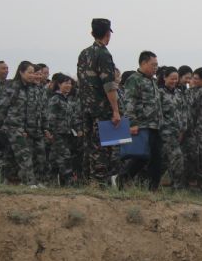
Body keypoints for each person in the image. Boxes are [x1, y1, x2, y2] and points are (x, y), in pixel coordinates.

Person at [76, 18, 121, 185]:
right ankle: (99, 183)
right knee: (104, 147)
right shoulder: (104, 54)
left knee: (89, 145)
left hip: (86, 107)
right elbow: (109, 85)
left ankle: (87, 180)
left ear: (92, 33)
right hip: (102, 109)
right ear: (108, 33)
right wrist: (115, 110)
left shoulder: (84, 53)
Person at [0, 61, 45, 187]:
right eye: (29, 72)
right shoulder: (13, 86)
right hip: (13, 126)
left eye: (33, 73)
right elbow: (3, 106)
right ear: (21, 72)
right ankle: (29, 183)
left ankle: (12, 180)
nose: (32, 75)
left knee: (13, 156)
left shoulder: (34, 89)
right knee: (24, 155)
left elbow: (37, 110)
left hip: (30, 128)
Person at [120, 51, 163, 191]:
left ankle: (153, 189)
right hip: (142, 125)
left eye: (156, 65)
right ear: (143, 63)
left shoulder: (153, 81)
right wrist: (132, 123)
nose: (155, 68)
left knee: (156, 159)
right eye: (153, 65)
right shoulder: (134, 79)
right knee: (141, 157)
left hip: (155, 125)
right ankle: (122, 179)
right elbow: (129, 103)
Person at [46, 74, 82, 185]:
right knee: (65, 156)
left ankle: (51, 182)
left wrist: (78, 129)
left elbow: (72, 117)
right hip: (57, 133)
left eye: (70, 83)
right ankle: (69, 182)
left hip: (67, 133)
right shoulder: (55, 99)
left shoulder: (67, 99)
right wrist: (50, 132)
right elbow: (50, 117)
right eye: (66, 83)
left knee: (54, 159)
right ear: (59, 84)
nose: (69, 85)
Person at [159, 66, 187, 189]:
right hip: (165, 132)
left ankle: (152, 183)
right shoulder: (159, 93)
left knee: (165, 160)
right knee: (177, 157)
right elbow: (157, 113)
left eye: (176, 79)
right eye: (172, 78)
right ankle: (178, 187)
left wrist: (183, 129)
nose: (174, 81)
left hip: (177, 132)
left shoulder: (179, 93)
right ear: (165, 78)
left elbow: (184, 111)